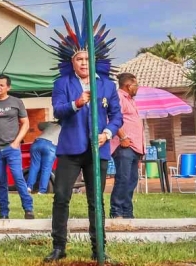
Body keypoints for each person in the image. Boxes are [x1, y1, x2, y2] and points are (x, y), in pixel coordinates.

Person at [47, 46, 122, 263]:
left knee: (95, 201)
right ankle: (59, 246)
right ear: (72, 62)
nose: (83, 63)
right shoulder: (63, 83)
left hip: (98, 149)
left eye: (86, 59)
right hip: (70, 148)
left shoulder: (107, 84)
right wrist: (76, 103)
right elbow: (58, 110)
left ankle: (99, 248)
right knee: (61, 197)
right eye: (78, 59)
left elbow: (117, 116)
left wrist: (107, 134)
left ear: (93, 61)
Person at [0, 74, 34, 220]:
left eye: (2, 85)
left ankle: (28, 209)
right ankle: (4, 213)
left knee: (18, 177)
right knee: (1, 182)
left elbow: (26, 123)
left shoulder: (16, 102)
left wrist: (16, 142)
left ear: (8, 87)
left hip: (12, 149)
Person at [109, 72, 144, 219]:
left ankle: (127, 212)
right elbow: (113, 118)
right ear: (128, 85)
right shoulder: (118, 97)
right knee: (123, 179)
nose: (138, 88)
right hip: (124, 146)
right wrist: (122, 136)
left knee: (131, 181)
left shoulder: (130, 100)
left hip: (134, 147)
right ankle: (116, 212)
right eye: (136, 85)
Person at [28, 121, 60, 194]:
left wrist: (52, 122)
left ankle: (29, 187)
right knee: (46, 169)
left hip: (37, 142)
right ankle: (42, 191)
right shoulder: (66, 127)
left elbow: (39, 125)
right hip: (51, 145)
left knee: (34, 166)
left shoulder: (50, 124)